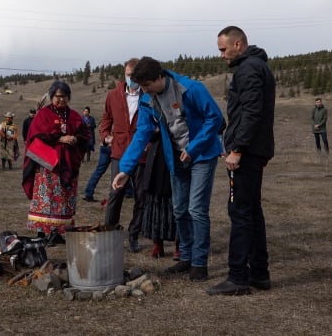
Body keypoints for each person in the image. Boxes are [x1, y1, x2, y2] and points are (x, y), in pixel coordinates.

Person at [112, 56, 224, 282]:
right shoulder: (147, 99)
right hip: (176, 157)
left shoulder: (191, 89)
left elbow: (216, 119)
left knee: (196, 210)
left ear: (159, 77)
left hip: (202, 154)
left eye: (147, 85)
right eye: (141, 87)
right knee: (180, 209)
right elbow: (142, 134)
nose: (144, 91)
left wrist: (194, 147)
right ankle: (186, 256)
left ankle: (199, 263)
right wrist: (125, 169)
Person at [207, 26, 275, 296]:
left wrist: (237, 149)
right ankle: (260, 273)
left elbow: (251, 112)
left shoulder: (248, 70)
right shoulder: (257, 66)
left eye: (224, 49)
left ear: (238, 44)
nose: (222, 55)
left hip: (246, 154)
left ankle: (238, 277)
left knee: (240, 212)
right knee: (252, 211)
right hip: (253, 151)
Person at [23, 80, 90, 244]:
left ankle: (59, 232)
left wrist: (75, 139)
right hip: (48, 166)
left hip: (68, 165)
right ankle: (41, 233)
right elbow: (35, 136)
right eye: (58, 96)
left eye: (65, 97)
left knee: (65, 199)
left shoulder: (74, 115)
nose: (61, 100)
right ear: (52, 96)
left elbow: (85, 135)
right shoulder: (43, 114)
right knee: (46, 198)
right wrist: (60, 138)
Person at [102, 58, 146, 253]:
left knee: (142, 196)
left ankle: (134, 235)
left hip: (142, 154)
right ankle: (109, 233)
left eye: (135, 76)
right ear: (124, 74)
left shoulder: (149, 96)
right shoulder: (113, 95)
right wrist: (105, 136)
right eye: (129, 75)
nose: (132, 79)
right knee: (116, 193)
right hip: (119, 151)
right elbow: (106, 118)